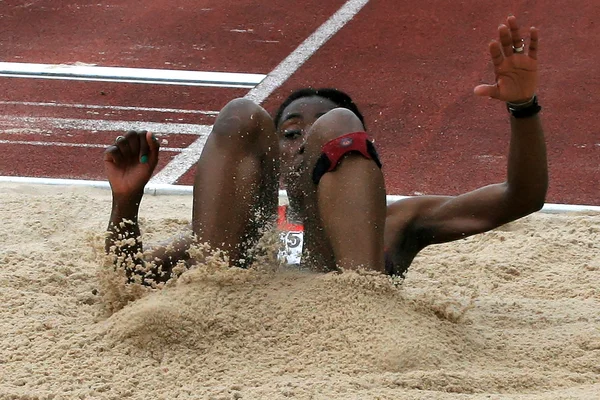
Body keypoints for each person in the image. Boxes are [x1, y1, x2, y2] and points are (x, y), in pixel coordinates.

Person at [104, 15, 547, 283]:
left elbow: (521, 197)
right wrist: (126, 202)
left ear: (362, 158)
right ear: (272, 157)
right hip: (236, 323)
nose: (306, 144)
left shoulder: (395, 224)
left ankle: (360, 298)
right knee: (240, 113)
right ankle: (209, 288)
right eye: (292, 133)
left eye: (321, 137)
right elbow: (130, 279)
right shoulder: (253, 234)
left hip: (357, 333)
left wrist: (523, 107)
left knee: (336, 122)